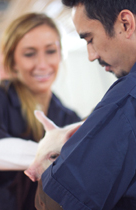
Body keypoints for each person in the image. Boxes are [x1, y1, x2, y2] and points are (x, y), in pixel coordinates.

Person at [39, 0, 136, 209]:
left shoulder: (126, 99)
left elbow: (56, 201)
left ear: (126, 24)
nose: (92, 56)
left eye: (90, 39)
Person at [0, 13, 81, 210]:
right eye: (30, 54)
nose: (43, 64)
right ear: (12, 61)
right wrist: (55, 154)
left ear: (60, 54)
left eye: (50, 51)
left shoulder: (68, 117)